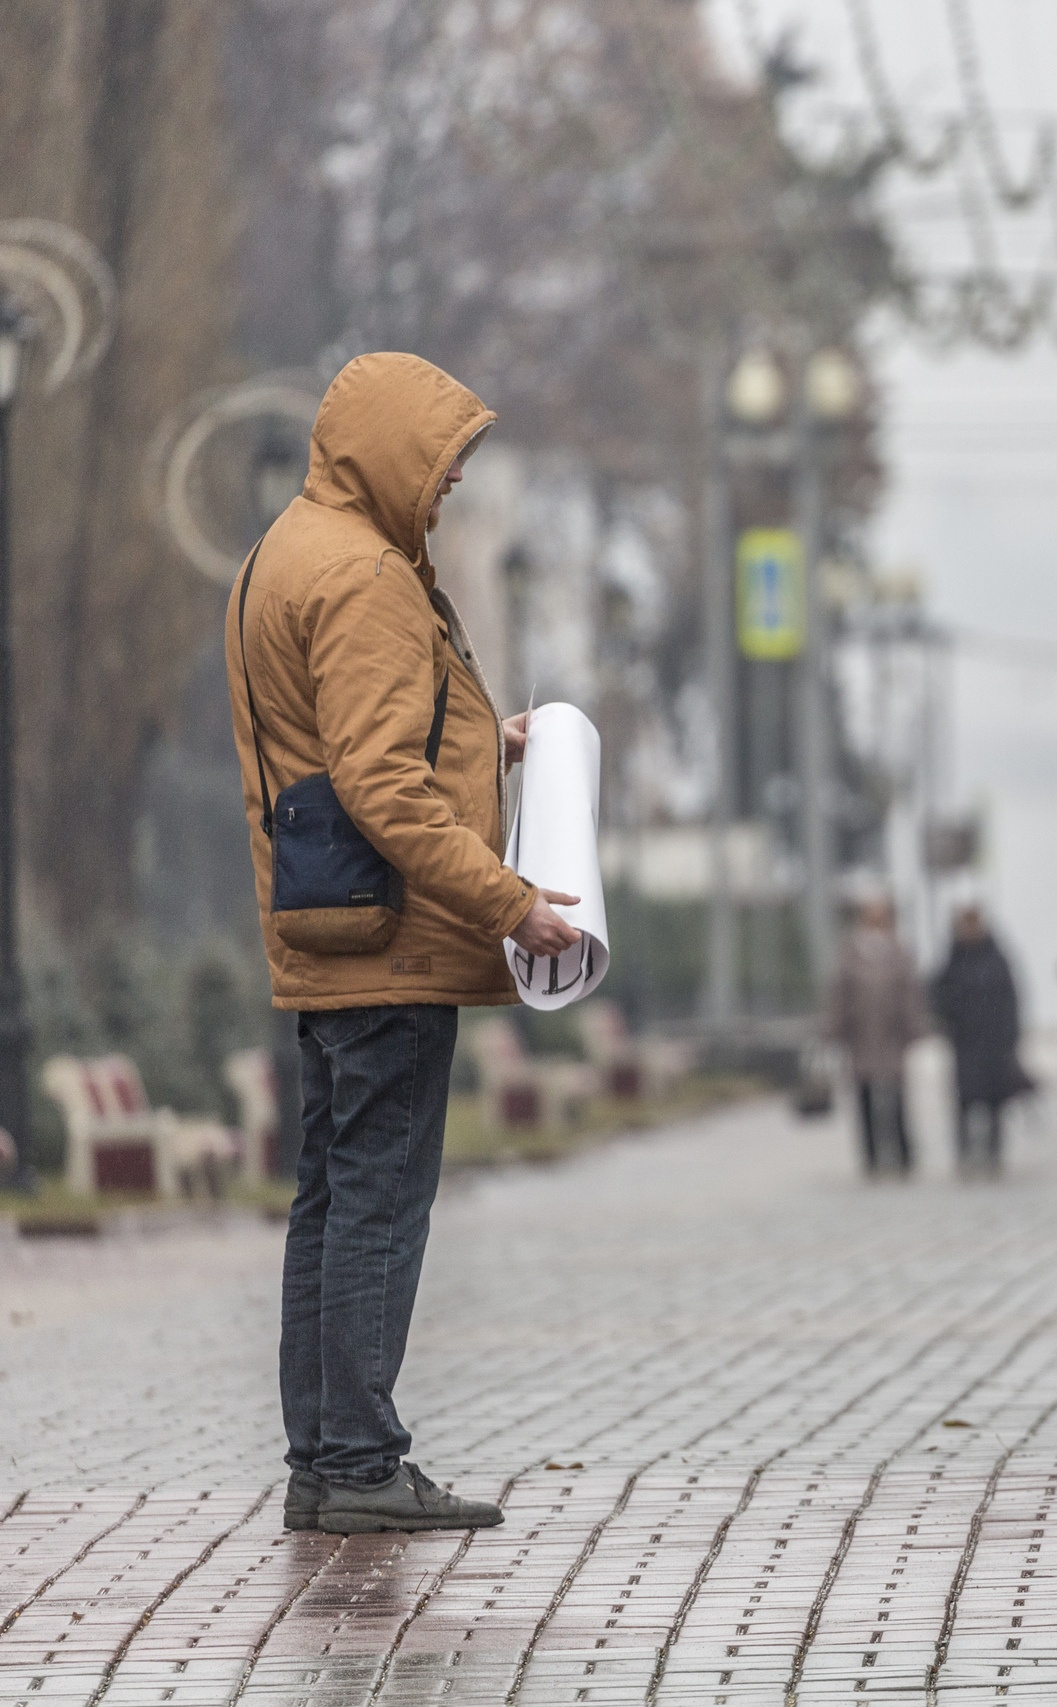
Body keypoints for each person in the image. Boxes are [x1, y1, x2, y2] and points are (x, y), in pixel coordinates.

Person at [226, 352, 583, 1536]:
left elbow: (350, 745)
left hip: (322, 924)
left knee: (327, 1201)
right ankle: (364, 1462)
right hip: (392, 939)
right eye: (441, 466)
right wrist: (511, 900)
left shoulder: (283, 554)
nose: (448, 490)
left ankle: (324, 1461)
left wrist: (492, 745)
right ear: (388, 452)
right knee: (377, 1202)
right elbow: (382, 783)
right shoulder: (369, 577)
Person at [828, 892, 931, 1178]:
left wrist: (915, 1028)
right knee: (863, 1096)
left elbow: (911, 993)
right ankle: (871, 1155)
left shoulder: (899, 951)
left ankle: (902, 1152)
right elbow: (839, 993)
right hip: (860, 1035)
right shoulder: (850, 951)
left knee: (897, 1095)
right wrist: (833, 1029)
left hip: (891, 1035)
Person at [933, 903, 1036, 1178]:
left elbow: (1011, 1001)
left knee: (994, 1102)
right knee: (964, 1102)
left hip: (994, 1044)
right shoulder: (952, 961)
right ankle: (964, 1151)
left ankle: (993, 1151)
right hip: (965, 1044)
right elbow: (938, 998)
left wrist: (1012, 1038)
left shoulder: (997, 959)